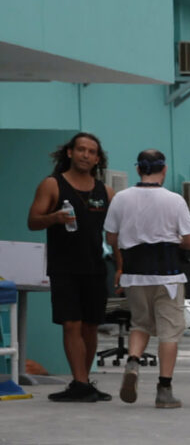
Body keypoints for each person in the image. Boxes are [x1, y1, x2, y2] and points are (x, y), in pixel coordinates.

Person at [103, 149, 190, 409]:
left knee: (140, 324)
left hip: (134, 275)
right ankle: (164, 389)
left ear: (138, 169)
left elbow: (111, 238)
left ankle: (133, 360)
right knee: (169, 333)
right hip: (168, 277)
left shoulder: (121, 198)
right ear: (164, 169)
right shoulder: (174, 200)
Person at [26, 132, 113, 401]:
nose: (85, 155)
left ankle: (83, 383)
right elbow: (33, 221)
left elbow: (114, 233)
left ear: (97, 158)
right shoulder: (53, 184)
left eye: (91, 151)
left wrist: (122, 266)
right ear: (70, 153)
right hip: (64, 266)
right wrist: (54, 217)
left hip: (96, 266)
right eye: (81, 150)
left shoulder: (105, 191)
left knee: (90, 325)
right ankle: (79, 381)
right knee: (71, 324)